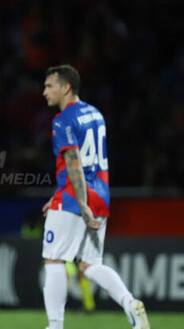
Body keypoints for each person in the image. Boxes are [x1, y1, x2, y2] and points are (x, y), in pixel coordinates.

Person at [41, 65, 150, 329]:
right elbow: (90, 163)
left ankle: (55, 326)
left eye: (49, 86)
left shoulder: (63, 119)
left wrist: (80, 203)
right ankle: (129, 303)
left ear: (65, 87)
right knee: (89, 264)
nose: (44, 92)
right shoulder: (95, 114)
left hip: (76, 198)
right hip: (101, 195)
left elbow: (74, 161)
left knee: (54, 259)